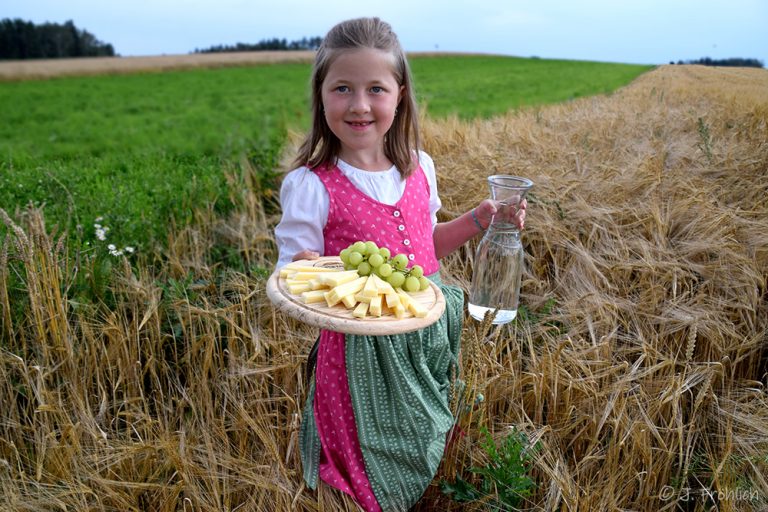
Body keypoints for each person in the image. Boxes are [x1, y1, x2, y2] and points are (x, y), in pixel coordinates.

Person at [274, 17, 526, 511]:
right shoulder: (311, 184)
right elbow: (291, 272)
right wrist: (304, 265)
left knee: (425, 431)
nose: (360, 105)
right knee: (371, 451)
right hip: (362, 352)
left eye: (376, 89)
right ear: (321, 96)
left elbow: (426, 249)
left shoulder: (418, 166)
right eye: (342, 88)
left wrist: (482, 218)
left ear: (400, 94)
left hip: (427, 331)